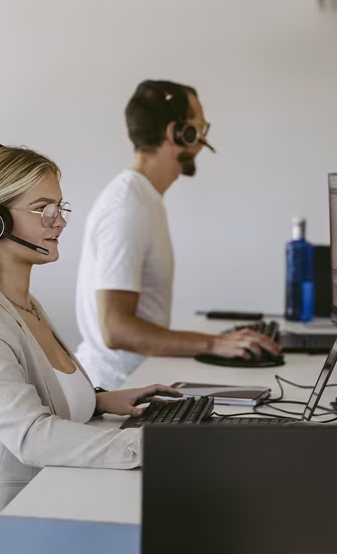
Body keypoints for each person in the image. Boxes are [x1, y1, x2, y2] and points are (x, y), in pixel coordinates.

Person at [0, 144, 179, 554]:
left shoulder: (24, 305)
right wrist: (154, 447)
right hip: (0, 527)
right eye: (42, 209)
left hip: (45, 507)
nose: (59, 221)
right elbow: (30, 434)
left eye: (60, 207)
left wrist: (100, 400)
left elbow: (33, 396)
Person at [74, 80, 281, 391]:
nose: (204, 139)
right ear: (179, 133)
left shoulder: (144, 199)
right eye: (200, 127)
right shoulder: (127, 208)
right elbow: (115, 329)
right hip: (118, 392)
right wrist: (214, 344)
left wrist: (219, 341)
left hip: (138, 380)